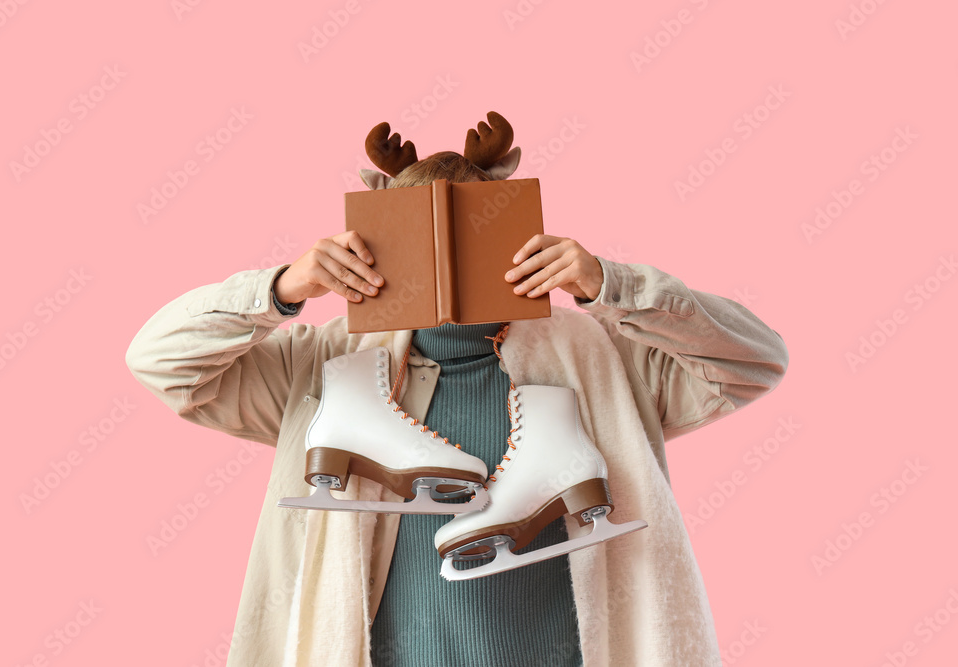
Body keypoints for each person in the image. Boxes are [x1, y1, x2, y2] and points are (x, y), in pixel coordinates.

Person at [126, 134, 788, 666]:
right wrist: (281, 288)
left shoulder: (604, 358)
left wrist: (609, 284)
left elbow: (757, 359)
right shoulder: (324, 367)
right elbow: (158, 359)